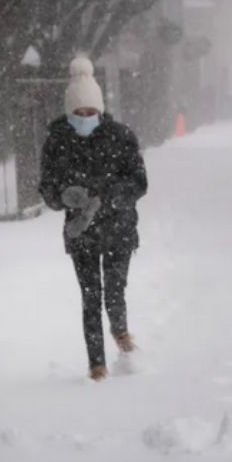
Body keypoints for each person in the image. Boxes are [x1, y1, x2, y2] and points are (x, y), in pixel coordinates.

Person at [39, 57, 148, 382]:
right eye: (78, 113)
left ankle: (120, 330)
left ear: (100, 111)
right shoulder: (57, 141)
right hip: (81, 233)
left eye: (90, 113)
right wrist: (64, 195)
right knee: (90, 297)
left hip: (119, 228)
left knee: (115, 291)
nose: (85, 118)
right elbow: (47, 188)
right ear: (69, 113)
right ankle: (97, 364)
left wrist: (109, 197)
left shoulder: (120, 137)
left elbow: (139, 182)